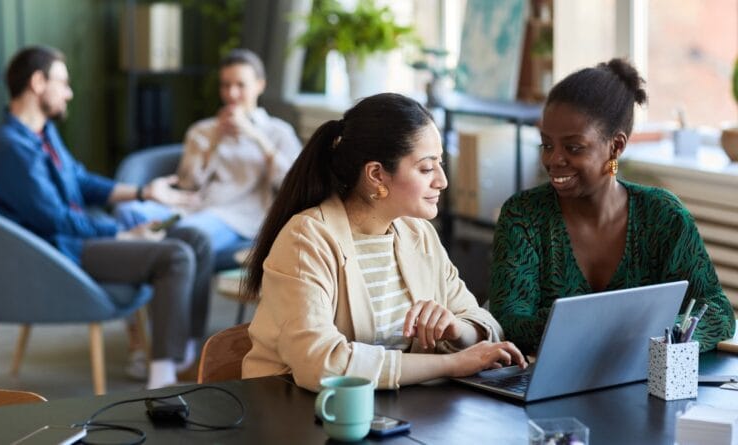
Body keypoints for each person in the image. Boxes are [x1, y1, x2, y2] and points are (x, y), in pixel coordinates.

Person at [241, 93, 526, 392]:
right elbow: (322, 364)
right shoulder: (307, 239)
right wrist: (451, 364)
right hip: (295, 416)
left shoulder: (419, 234)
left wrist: (457, 331)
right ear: (377, 174)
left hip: (395, 416)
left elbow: (486, 324)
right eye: (427, 168)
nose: (442, 180)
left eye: (440, 164)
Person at [0, 45, 211, 389]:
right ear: (38, 82)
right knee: (174, 255)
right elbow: (56, 220)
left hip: (76, 237)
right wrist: (121, 232)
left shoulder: (42, 133)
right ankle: (163, 376)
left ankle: (187, 353)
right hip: (60, 252)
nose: (69, 93)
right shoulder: (11, 149)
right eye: (63, 83)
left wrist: (144, 192)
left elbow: (80, 180)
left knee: (196, 240)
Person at [488, 58, 735, 354]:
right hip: (547, 388)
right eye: (547, 144)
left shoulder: (663, 217)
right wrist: (628, 330)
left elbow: (716, 313)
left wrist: (629, 335)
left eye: (573, 147)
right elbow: (509, 321)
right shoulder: (523, 216)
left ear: (616, 146)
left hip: (642, 388)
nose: (554, 159)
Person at [115, 48, 302, 271]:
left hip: (238, 218)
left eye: (240, 85)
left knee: (187, 232)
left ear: (259, 85)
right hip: (191, 209)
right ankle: (137, 296)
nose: (232, 93)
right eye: (225, 85)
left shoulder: (278, 132)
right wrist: (213, 144)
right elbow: (187, 184)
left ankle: (172, 294)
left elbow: (292, 185)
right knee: (128, 213)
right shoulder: (202, 131)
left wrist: (256, 138)